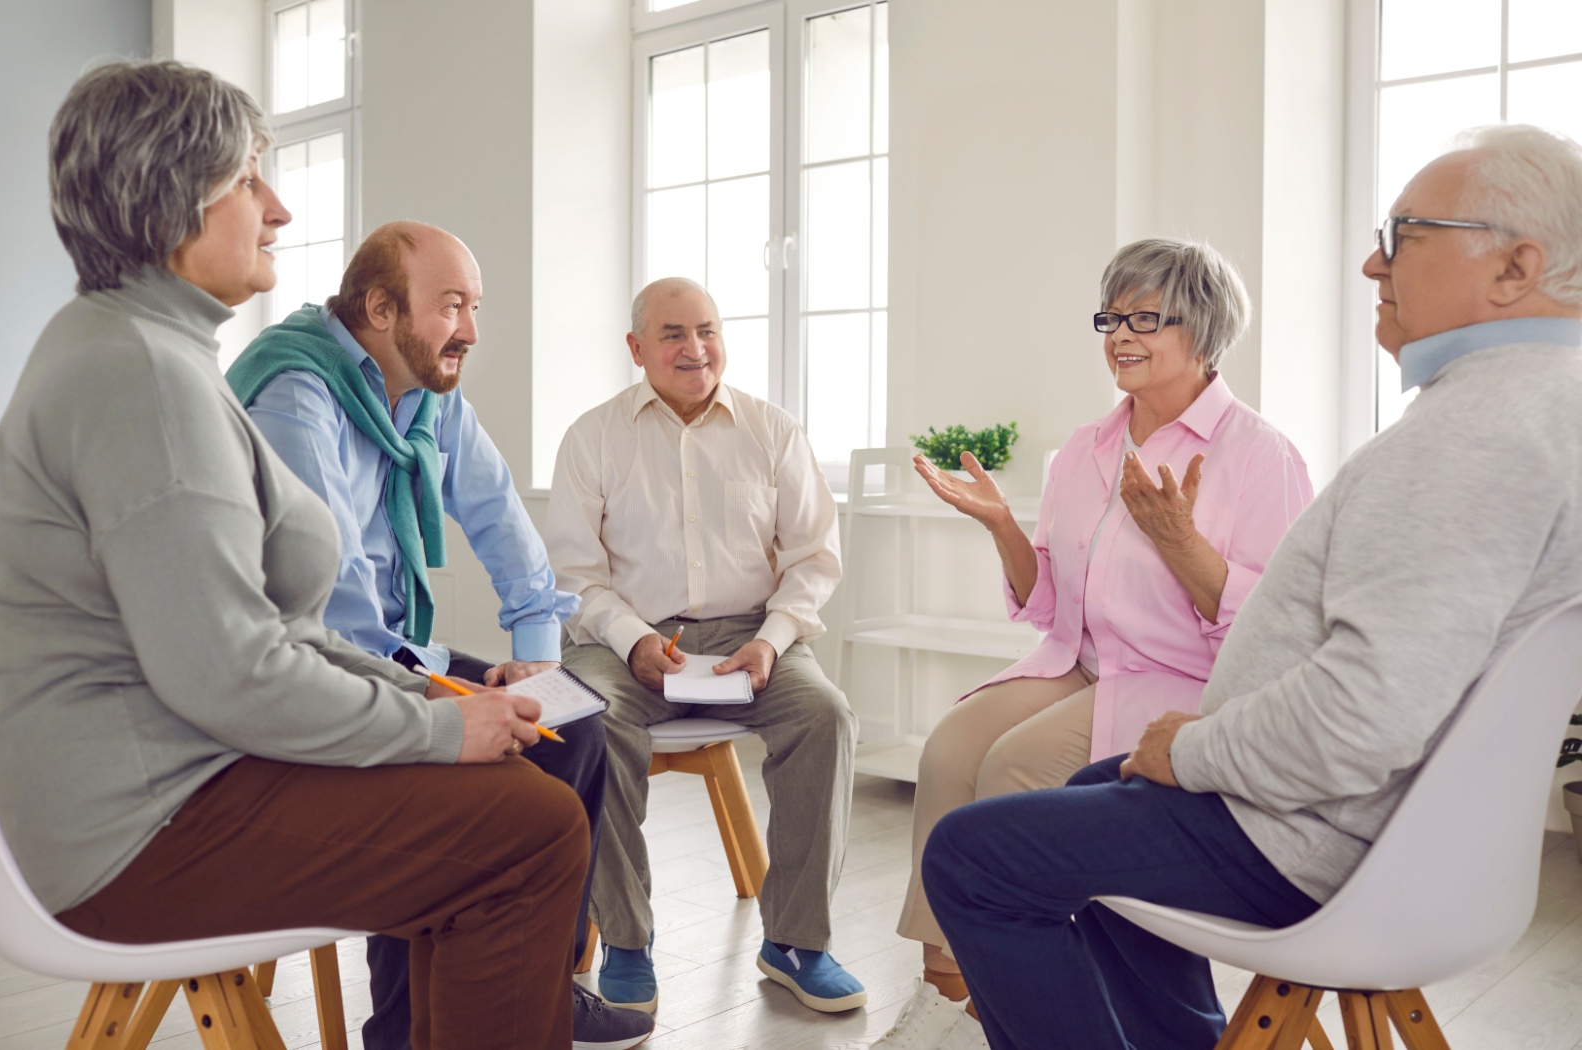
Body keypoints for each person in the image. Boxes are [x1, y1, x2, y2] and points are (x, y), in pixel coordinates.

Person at [920, 123, 1582, 1050]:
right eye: (1112, 317)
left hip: (1313, 834)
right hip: (1365, 822)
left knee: (975, 856)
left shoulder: (1469, 438)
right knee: (1095, 784)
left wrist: (1194, 751)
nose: (1368, 264)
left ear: (1514, 268)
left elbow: (1359, 720)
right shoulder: (1535, 406)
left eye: (1402, 237)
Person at [0, 60, 591, 1049]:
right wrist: (440, 729)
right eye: (247, 180)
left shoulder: (148, 349)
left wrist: (434, 704)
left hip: (156, 784)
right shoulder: (142, 376)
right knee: (525, 834)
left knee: (511, 798)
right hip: (134, 830)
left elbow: (269, 634)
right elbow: (230, 670)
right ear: (170, 197)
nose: (279, 208)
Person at [870, 237, 1313, 1050]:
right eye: (1112, 315)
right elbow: (1048, 601)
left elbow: (1273, 633)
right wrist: (1003, 524)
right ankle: (949, 993)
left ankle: (1010, 984)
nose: (1121, 334)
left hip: (1182, 684)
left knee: (1012, 767)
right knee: (948, 750)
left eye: (1147, 316)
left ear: (1205, 331)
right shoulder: (1088, 446)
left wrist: (1181, 542)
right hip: (1082, 662)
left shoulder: (1259, 457)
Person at [227, 222, 648, 1050]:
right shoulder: (295, 396)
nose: (473, 331)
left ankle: (544, 989)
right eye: (453, 305)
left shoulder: (423, 395)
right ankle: (402, 1029)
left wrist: (535, 662)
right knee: (450, 775)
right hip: (306, 671)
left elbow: (505, 529)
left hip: (390, 652)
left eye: (475, 306)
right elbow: (330, 605)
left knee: (572, 726)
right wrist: (445, 706)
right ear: (381, 309)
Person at [544, 277, 864, 1015]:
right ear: (635, 349)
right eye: (672, 334)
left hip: (751, 635)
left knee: (826, 716)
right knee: (590, 723)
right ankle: (627, 939)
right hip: (620, 636)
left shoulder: (772, 429)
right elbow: (573, 576)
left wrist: (773, 641)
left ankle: (795, 942)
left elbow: (814, 559)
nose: (695, 349)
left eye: (708, 330)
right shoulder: (592, 436)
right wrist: (633, 642)